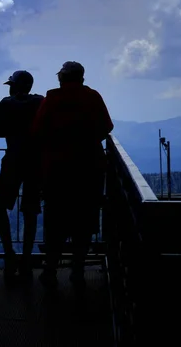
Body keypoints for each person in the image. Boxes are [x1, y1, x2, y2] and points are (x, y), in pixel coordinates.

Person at [31, 61, 113, 289]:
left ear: (62, 78)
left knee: (55, 221)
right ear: (81, 78)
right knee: (84, 221)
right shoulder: (92, 97)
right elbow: (107, 126)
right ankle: (78, 269)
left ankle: (50, 270)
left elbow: (37, 130)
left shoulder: (53, 99)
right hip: (88, 168)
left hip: (57, 170)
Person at [0, 70, 44, 283]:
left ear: (15, 86)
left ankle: (9, 252)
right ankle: (27, 257)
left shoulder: (6, 103)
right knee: (30, 211)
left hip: (13, 159)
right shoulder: (41, 102)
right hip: (36, 161)